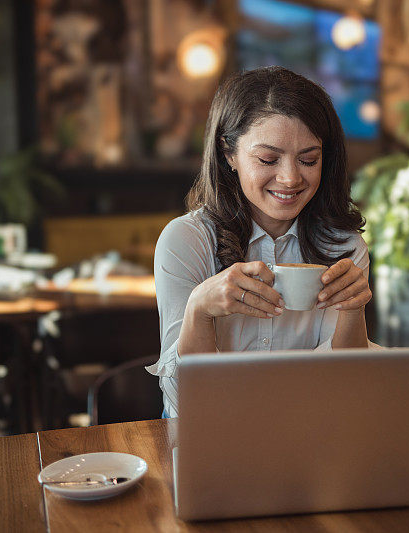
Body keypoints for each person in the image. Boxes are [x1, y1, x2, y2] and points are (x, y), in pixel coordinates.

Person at [147, 66, 373, 418]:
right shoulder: (186, 240)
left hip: (307, 430)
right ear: (228, 154)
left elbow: (346, 388)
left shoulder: (344, 246)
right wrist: (199, 309)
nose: (290, 178)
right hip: (212, 432)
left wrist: (353, 310)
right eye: (268, 158)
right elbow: (188, 404)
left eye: (309, 159)